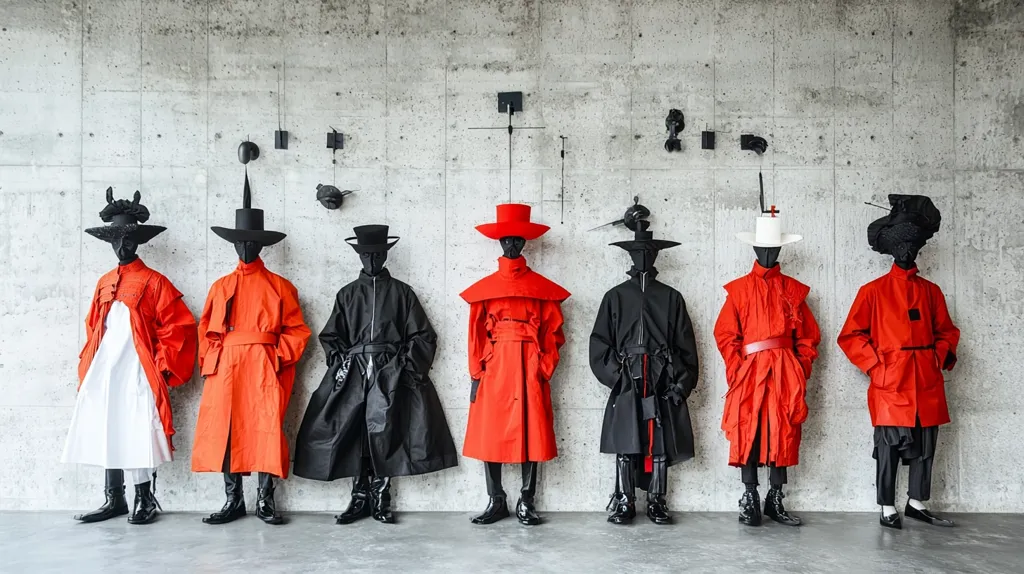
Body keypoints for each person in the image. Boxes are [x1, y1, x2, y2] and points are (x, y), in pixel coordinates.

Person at [293, 224, 458, 525]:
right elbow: (331, 335)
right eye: (366, 255)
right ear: (359, 256)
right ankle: (359, 498)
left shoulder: (402, 293)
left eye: (377, 254)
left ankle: (381, 497)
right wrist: (340, 362)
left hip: (390, 371)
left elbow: (424, 336)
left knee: (386, 431)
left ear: (385, 255)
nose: (371, 260)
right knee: (352, 431)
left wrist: (402, 366)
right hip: (353, 371)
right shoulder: (347, 293)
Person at [64, 188, 197, 525]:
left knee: (136, 430)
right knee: (105, 427)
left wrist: (162, 367)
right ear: (110, 243)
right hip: (105, 367)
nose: (123, 246)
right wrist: (90, 361)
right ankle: (114, 499)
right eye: (116, 240)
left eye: (129, 240)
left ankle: (144, 499)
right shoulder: (105, 281)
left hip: (137, 367)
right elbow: (93, 324)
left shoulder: (154, 281)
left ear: (137, 243)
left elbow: (178, 326)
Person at [838, 194, 959, 529]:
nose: (907, 252)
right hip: (891, 379)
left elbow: (948, 331)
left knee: (926, 441)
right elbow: (850, 336)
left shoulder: (931, 292)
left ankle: (916, 503)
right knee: (889, 444)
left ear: (918, 250)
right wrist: (878, 366)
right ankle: (887, 506)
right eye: (901, 246)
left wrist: (937, 356)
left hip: (926, 378)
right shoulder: (872, 291)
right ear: (891, 250)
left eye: (912, 246)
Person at [461, 204, 570, 526]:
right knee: (489, 433)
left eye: (517, 240)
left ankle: (526, 500)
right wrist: (476, 373)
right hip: (494, 367)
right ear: (499, 242)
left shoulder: (541, 290)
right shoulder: (484, 291)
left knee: (532, 431)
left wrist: (543, 366)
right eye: (506, 239)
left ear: (525, 243)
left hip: (529, 363)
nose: (511, 245)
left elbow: (554, 333)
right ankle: (496, 499)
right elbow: (475, 334)